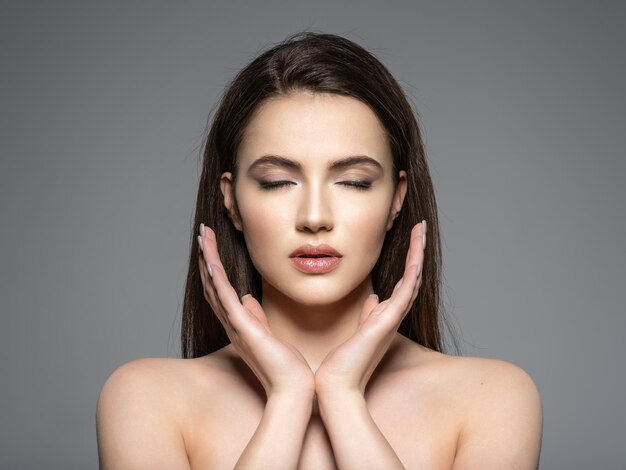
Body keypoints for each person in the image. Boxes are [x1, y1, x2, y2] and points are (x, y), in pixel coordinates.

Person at [96, 32, 543, 469]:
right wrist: (288, 397)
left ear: (397, 199)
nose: (314, 216)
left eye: (353, 181)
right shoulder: (145, 399)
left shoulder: (493, 399)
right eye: (276, 181)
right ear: (231, 201)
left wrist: (343, 395)